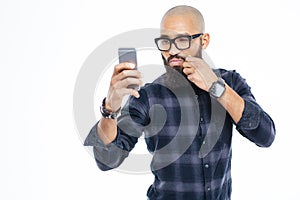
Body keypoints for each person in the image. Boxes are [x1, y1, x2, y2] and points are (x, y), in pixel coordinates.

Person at [84, 5, 275, 200]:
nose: (172, 51)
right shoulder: (148, 96)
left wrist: (217, 88)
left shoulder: (231, 83)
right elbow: (106, 160)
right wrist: (109, 109)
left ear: (204, 40)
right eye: (165, 42)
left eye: (182, 40)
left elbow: (265, 136)